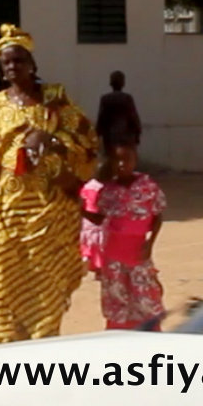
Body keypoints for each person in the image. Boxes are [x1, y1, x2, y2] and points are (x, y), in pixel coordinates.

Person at [0, 24, 98, 344]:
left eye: (19, 60)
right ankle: (8, 347)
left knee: (47, 275)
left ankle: (43, 341)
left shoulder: (55, 99)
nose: (13, 66)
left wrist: (52, 140)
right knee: (3, 273)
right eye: (7, 62)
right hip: (5, 208)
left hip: (50, 208)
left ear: (33, 65)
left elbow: (88, 144)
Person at [80, 140, 166, 331]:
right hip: (112, 253)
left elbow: (157, 215)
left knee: (145, 296)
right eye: (116, 161)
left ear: (135, 160)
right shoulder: (107, 190)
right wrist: (80, 210)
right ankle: (119, 335)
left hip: (137, 251)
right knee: (116, 297)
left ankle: (152, 334)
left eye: (126, 160)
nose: (121, 165)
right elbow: (100, 218)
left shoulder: (147, 186)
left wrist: (150, 244)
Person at [95, 71, 142, 149]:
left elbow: (101, 119)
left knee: (109, 159)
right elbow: (133, 117)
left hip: (110, 140)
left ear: (111, 83)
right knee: (130, 159)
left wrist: (97, 135)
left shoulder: (105, 99)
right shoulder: (127, 98)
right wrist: (137, 134)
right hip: (126, 140)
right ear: (123, 83)